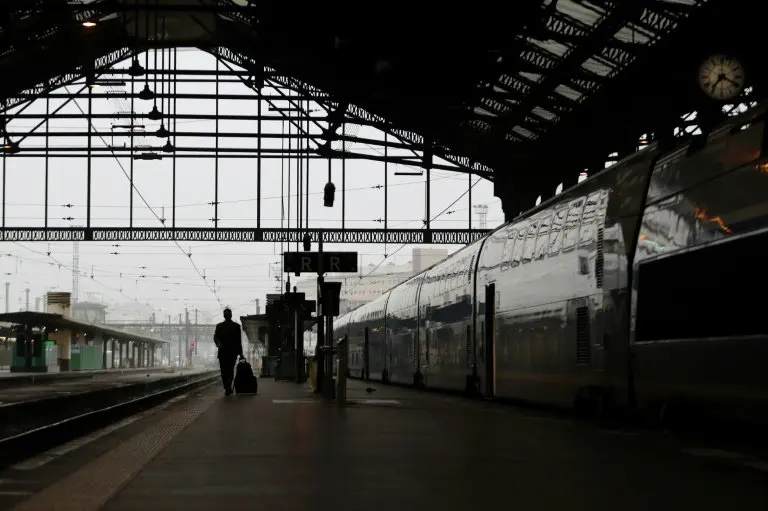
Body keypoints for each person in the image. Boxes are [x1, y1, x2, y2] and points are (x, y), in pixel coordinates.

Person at [213, 307, 244, 396]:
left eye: (227, 314)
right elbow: (239, 341)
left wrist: (218, 343)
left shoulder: (219, 326)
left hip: (223, 353)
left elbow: (215, 337)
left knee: (224, 371)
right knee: (230, 370)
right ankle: (228, 386)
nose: (226, 315)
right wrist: (240, 353)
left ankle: (227, 386)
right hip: (232, 353)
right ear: (230, 315)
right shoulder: (236, 326)